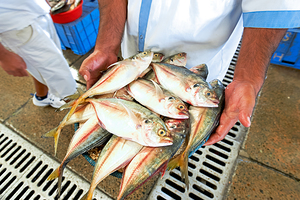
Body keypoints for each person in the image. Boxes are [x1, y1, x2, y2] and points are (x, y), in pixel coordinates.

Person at [78, 0, 300, 145]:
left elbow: (274, 6)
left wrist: (248, 78)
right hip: (131, 58)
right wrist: (106, 45)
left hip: (197, 66)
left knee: (176, 138)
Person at [0, 0, 77, 108]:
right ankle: (76, 104)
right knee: (60, 75)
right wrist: (3, 56)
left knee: (49, 62)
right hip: (14, 25)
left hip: (34, 10)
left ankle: (42, 96)